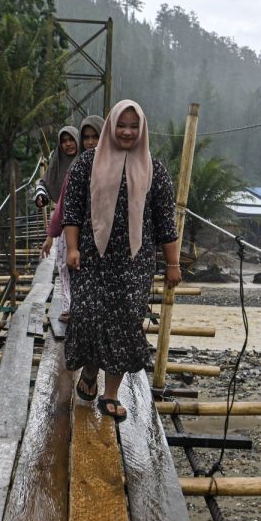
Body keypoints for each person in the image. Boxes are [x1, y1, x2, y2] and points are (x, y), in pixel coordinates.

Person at [62, 100, 180, 421]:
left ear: (142, 130)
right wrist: (72, 248)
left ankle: (110, 393)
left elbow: (165, 222)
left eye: (134, 126)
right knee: (88, 317)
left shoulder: (155, 170)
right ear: (111, 127)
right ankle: (90, 372)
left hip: (134, 263)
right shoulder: (87, 163)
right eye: (121, 125)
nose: (127, 132)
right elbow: (72, 210)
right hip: (92, 257)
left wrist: (172, 265)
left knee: (126, 322)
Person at [40, 117, 104, 322]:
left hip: (105, 233)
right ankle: (73, 307)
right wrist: (51, 235)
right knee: (70, 267)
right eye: (86, 137)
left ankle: (90, 310)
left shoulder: (119, 165)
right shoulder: (77, 169)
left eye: (96, 136)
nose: (91, 142)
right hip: (75, 230)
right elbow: (62, 204)